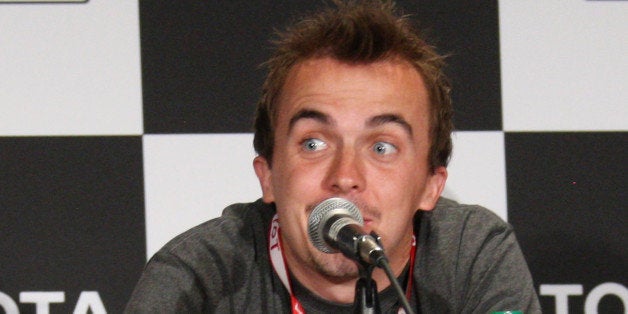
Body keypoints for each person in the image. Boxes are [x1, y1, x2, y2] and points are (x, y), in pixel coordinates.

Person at [125, 1, 541, 313]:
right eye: (314, 143)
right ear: (267, 175)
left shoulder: (472, 257)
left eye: (382, 147)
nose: (345, 177)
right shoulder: (196, 279)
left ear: (431, 186)